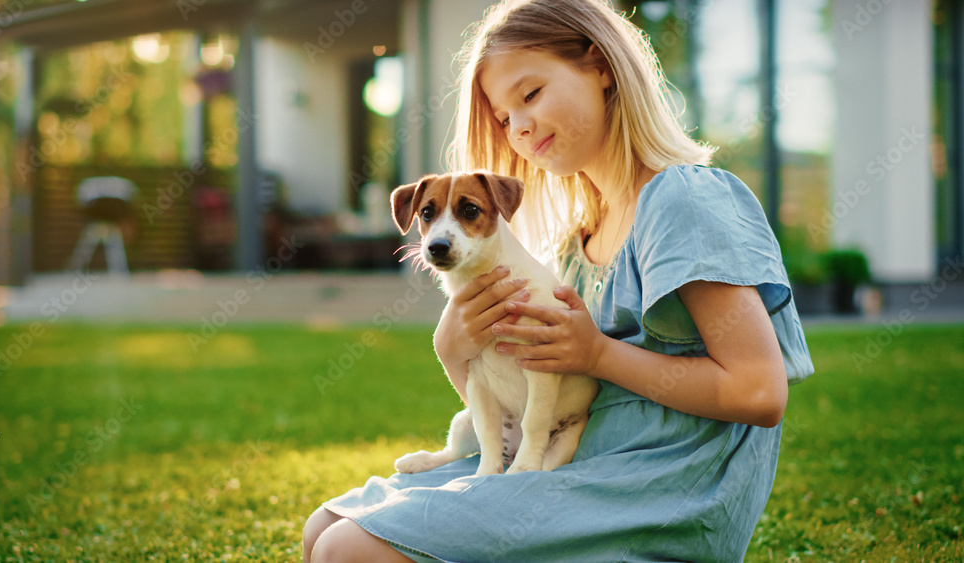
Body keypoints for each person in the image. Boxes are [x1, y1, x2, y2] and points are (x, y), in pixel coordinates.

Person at [303, 0, 814, 561]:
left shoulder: (683, 199)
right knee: (323, 526)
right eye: (502, 118)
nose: (517, 125)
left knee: (345, 549)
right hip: (573, 459)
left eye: (530, 94)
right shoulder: (578, 242)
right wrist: (454, 350)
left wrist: (596, 354)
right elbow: (524, 396)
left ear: (599, 66)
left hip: (655, 492)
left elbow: (761, 393)